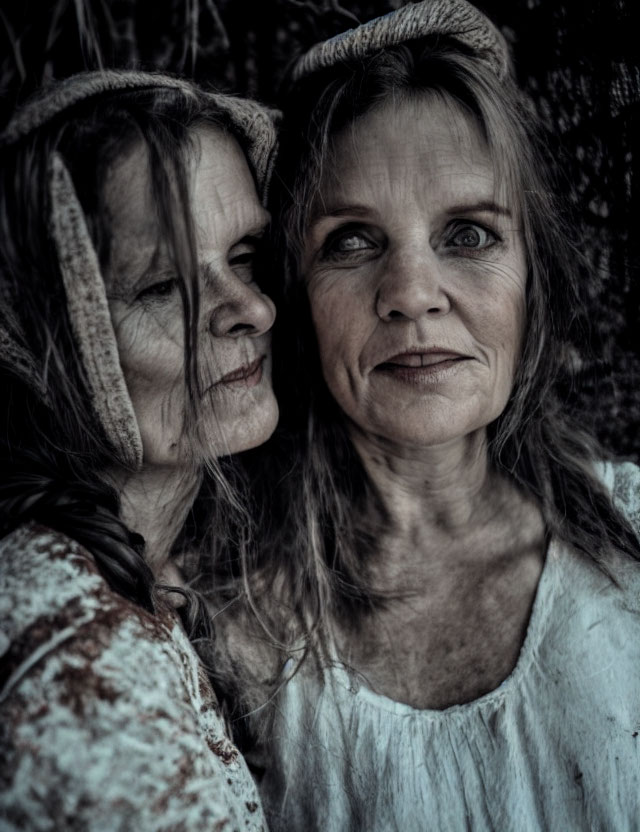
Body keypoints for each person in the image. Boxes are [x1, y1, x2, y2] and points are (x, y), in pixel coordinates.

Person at [203, 2, 640, 830]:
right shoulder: (228, 627)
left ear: (531, 278)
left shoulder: (632, 541)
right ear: (295, 299)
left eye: (469, 234)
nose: (409, 295)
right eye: (350, 242)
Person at [0, 70, 278, 830]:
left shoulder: (165, 570)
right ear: (48, 339)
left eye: (246, 254)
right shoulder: (74, 661)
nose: (253, 308)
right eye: (164, 286)